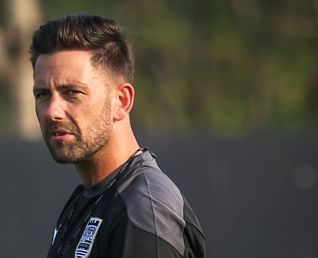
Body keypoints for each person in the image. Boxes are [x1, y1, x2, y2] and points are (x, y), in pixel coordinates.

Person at [30, 14, 206, 258]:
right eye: (42, 95)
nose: (52, 111)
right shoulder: (87, 199)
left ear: (121, 101)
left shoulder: (144, 209)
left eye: (72, 92)